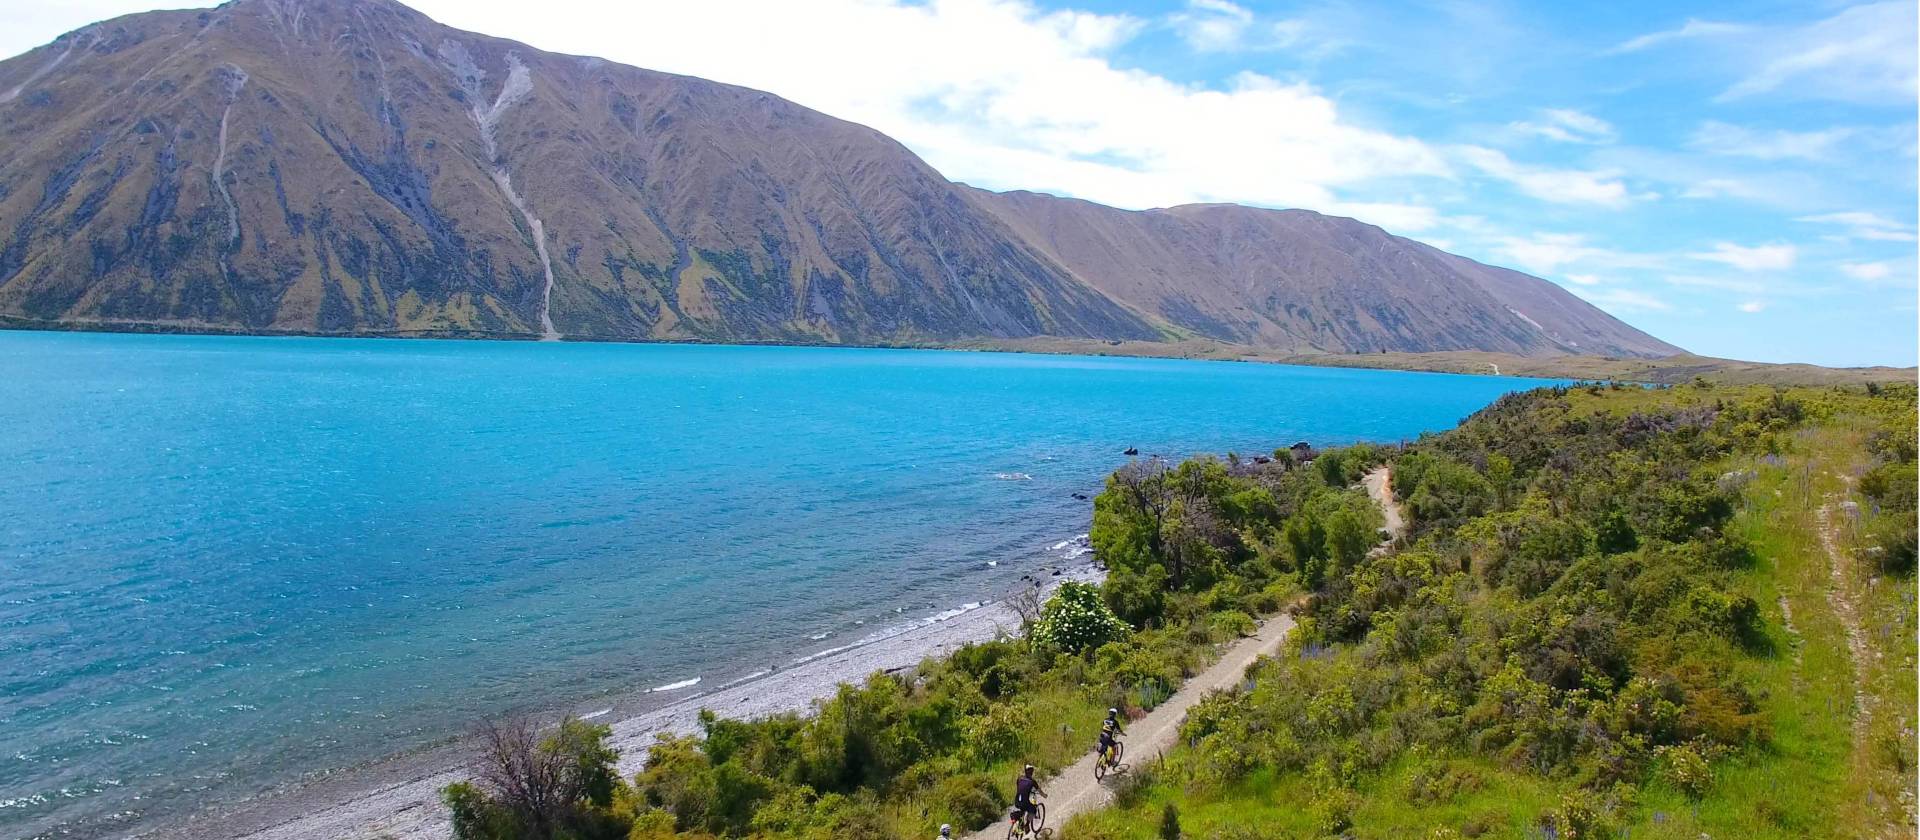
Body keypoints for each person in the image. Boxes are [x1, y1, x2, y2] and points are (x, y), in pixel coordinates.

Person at [1013, 764, 1044, 831]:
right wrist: (1044, 795)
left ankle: (1019, 825)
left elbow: (1020, 789)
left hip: (1017, 801)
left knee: (1022, 809)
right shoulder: (1032, 781)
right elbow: (1039, 791)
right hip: (1025, 803)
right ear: (1032, 772)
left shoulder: (1019, 778)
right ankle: (1027, 825)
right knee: (1033, 810)